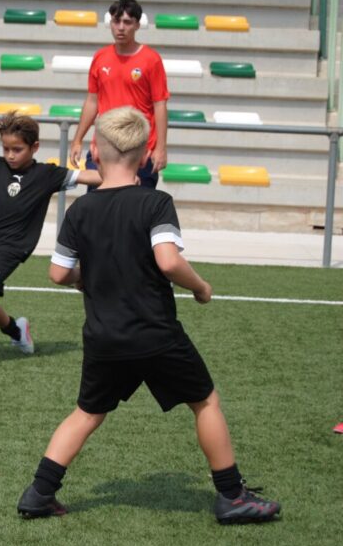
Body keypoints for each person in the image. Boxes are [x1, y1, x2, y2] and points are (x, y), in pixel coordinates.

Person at [17, 107, 280, 524]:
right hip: (155, 333)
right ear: (143, 157)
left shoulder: (79, 211)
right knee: (205, 401)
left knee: (87, 413)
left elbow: (58, 273)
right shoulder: (156, 202)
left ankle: (39, 493)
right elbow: (169, 261)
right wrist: (201, 287)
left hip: (104, 336)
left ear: (95, 154)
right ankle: (232, 496)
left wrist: (88, 277)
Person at [0, 111, 102, 353]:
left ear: (34, 147)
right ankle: (17, 331)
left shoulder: (46, 174)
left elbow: (86, 176)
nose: (10, 155)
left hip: (14, 246)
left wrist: (123, 177)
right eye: (6, 149)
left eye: (17, 149)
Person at [69, 0, 169, 189]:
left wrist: (161, 148)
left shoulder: (151, 59)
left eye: (127, 22)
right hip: (104, 146)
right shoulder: (100, 57)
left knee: (137, 206)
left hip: (139, 148)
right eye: (116, 21)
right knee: (98, 205)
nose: (121, 27)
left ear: (137, 25)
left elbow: (160, 104)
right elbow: (92, 101)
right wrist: (77, 140)